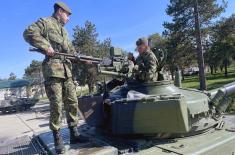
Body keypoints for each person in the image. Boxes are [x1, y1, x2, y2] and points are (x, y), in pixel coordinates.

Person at [23, 2, 88, 154]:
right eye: (67, 15)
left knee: (72, 102)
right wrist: (46, 46)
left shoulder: (64, 32)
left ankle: (74, 134)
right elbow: (28, 32)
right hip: (53, 71)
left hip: (67, 72)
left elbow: (70, 51)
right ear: (60, 11)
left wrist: (83, 58)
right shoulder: (45, 22)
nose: (69, 19)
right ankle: (57, 139)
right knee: (56, 105)